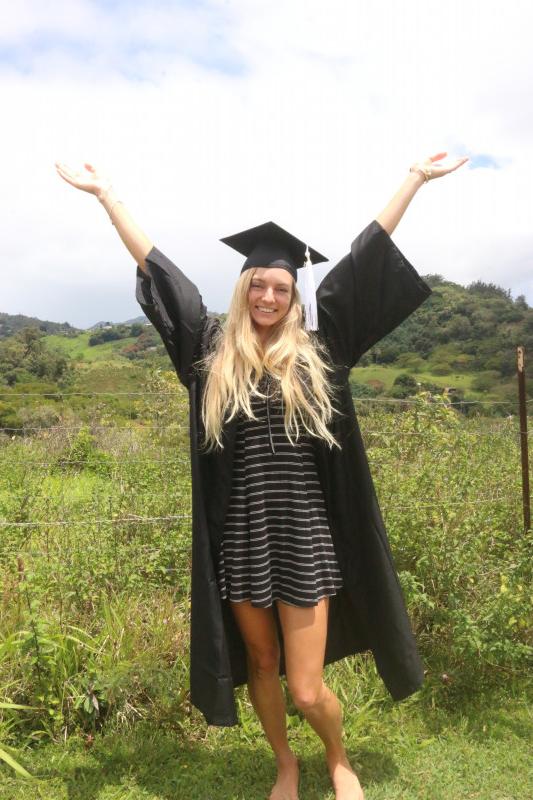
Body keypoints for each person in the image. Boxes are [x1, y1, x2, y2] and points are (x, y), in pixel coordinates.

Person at [56, 152, 468, 800]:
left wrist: (411, 181)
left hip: (304, 534)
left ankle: (337, 755)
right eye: (258, 285)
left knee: (305, 687)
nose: (269, 296)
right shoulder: (211, 351)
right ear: (244, 289)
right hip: (243, 537)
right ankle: (284, 763)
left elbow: (362, 266)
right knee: (262, 666)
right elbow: (164, 277)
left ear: (292, 293)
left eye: (280, 287)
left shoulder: (318, 350)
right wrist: (108, 196)